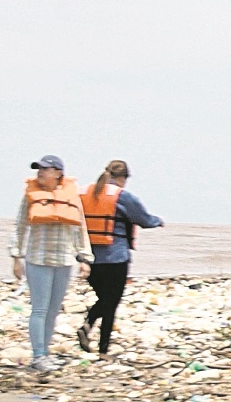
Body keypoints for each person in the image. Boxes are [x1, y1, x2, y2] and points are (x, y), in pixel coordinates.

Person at [11, 155, 92, 373]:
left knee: (53, 311)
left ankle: (45, 353)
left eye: (45, 169)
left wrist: (85, 258)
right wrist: (16, 257)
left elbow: (80, 229)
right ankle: (38, 356)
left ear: (58, 173)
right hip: (37, 259)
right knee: (39, 309)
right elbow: (20, 227)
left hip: (64, 260)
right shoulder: (30, 196)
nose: (40, 172)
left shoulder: (71, 196)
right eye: (39, 169)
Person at [77, 160, 165, 356]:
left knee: (104, 299)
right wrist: (158, 221)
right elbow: (144, 219)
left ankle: (88, 326)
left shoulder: (83, 193)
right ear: (123, 179)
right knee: (111, 304)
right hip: (115, 258)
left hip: (88, 259)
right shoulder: (122, 197)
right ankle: (103, 350)